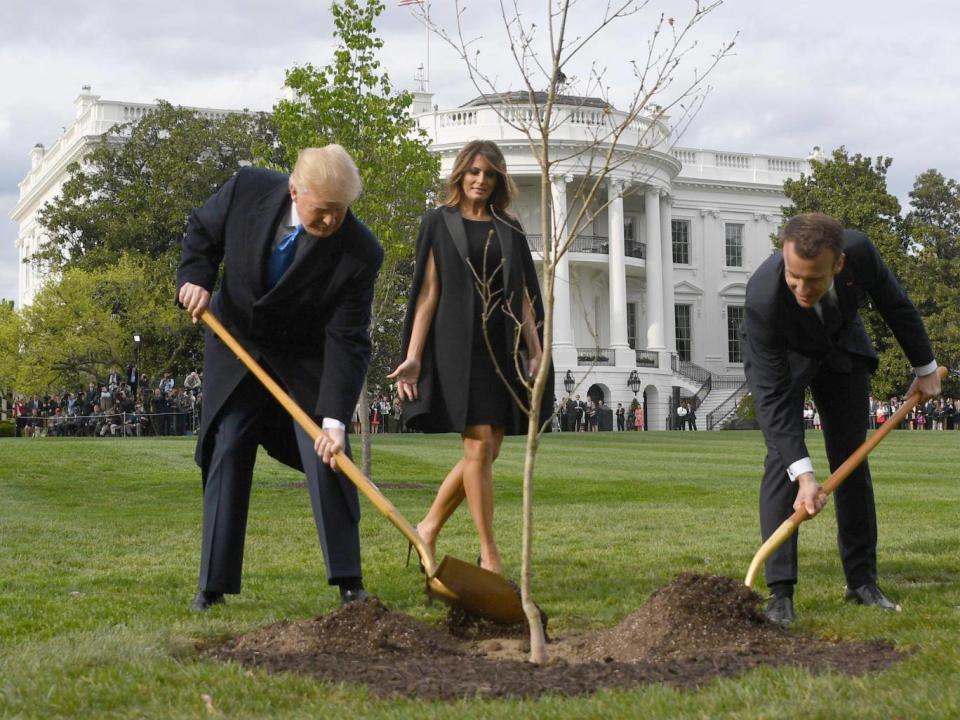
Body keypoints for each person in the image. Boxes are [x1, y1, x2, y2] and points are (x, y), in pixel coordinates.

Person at [176, 144, 383, 611]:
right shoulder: (247, 189)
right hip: (236, 344)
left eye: (341, 212)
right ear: (295, 190)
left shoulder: (361, 252)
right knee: (228, 446)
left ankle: (350, 581)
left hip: (303, 359)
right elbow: (202, 232)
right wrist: (196, 278)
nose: (332, 222)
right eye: (322, 211)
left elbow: (348, 338)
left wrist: (334, 418)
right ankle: (212, 585)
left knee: (328, 456)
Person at [743, 212, 940, 626]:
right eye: (794, 276)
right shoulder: (763, 297)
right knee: (782, 463)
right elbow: (772, 398)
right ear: (784, 254)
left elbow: (896, 305)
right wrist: (805, 475)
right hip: (787, 362)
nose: (801, 287)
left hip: (842, 350)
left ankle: (862, 581)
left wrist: (925, 370)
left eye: (813, 280)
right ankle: (780, 593)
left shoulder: (861, 252)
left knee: (851, 461)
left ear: (839, 264)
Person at [389, 139, 552, 576]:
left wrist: (535, 351)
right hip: (457, 344)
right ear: (460, 174)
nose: (481, 180)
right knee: (478, 443)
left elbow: (523, 296)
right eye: (474, 172)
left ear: (499, 180)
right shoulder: (438, 223)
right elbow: (427, 293)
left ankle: (427, 527)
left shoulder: (510, 226)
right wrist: (414, 357)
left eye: (490, 174)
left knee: (488, 450)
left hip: (500, 344)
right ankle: (490, 555)